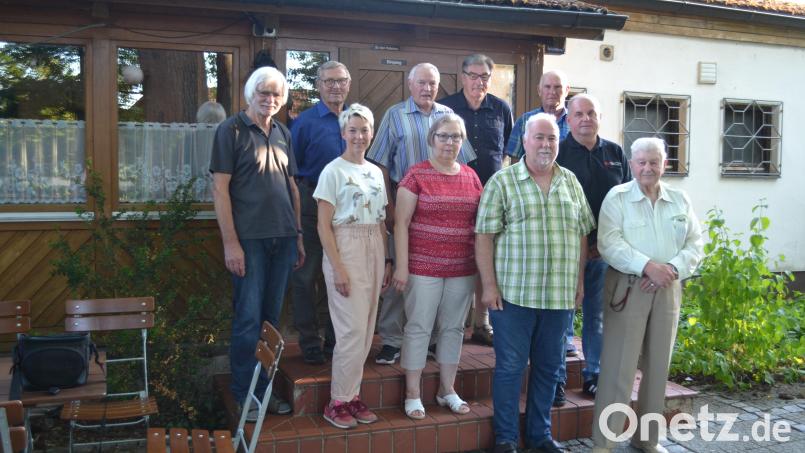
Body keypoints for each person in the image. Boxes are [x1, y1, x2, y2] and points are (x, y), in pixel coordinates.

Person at [476, 113, 594, 453]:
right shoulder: (502, 182)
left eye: (552, 139)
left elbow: (582, 233)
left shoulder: (570, 181)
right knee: (511, 368)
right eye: (539, 137)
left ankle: (540, 435)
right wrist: (489, 286)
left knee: (549, 368)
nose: (545, 144)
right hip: (514, 295)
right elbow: (484, 236)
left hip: (558, 297)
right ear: (524, 141)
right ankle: (506, 438)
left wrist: (579, 281)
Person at [592, 137, 703, 453]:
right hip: (629, 287)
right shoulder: (618, 198)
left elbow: (695, 245)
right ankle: (605, 443)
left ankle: (647, 439)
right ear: (632, 163)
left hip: (668, 287)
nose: (647, 168)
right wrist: (647, 267)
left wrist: (670, 268)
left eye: (654, 162)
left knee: (658, 368)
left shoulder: (680, 200)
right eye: (641, 162)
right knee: (618, 367)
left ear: (664, 164)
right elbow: (609, 243)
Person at [367, 62, 476, 365]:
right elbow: (380, 162)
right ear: (410, 85)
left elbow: (464, 163)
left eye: (433, 83)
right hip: (404, 204)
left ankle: (432, 339)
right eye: (422, 83)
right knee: (401, 275)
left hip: (441, 209)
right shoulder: (395, 115)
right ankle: (391, 339)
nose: (428, 89)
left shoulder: (448, 118)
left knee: (436, 277)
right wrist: (388, 205)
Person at [210, 66, 303, 418]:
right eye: (264, 93)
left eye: (276, 94)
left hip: (283, 239)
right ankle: (245, 396)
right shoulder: (230, 130)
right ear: (251, 94)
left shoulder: (283, 131)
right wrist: (230, 243)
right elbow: (220, 190)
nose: (270, 99)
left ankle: (263, 391)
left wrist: (298, 234)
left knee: (270, 323)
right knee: (248, 320)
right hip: (249, 241)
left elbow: (292, 186)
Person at [392, 114, 483, 420]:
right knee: (418, 328)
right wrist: (401, 267)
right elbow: (400, 223)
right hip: (422, 267)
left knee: (454, 329)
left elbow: (479, 224)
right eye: (443, 136)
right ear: (431, 139)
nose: (449, 142)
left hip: (462, 268)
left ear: (463, 141)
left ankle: (447, 389)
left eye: (456, 136)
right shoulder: (415, 175)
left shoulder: (471, 176)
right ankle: (412, 392)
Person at [313, 103, 391, 429]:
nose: (359, 136)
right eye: (353, 130)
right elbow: (322, 225)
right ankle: (337, 402)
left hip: (373, 246)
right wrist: (338, 268)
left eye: (364, 130)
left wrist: (386, 260)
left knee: (366, 330)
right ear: (343, 132)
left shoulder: (375, 172)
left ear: (371, 133)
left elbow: (382, 221)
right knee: (350, 330)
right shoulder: (333, 171)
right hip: (345, 248)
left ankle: (352, 395)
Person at [553, 94, 632, 407]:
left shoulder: (614, 152)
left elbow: (627, 199)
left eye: (591, 113)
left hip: (603, 252)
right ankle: (556, 378)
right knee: (561, 317)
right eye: (578, 114)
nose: (585, 119)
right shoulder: (557, 152)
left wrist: (602, 244)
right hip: (565, 253)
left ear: (600, 117)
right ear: (568, 120)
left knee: (597, 317)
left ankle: (593, 375)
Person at [438, 53, 513, 347]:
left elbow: (506, 150)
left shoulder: (501, 108)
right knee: (456, 255)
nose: (478, 82)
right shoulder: (448, 108)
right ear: (462, 76)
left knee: (486, 259)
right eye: (472, 75)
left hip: (490, 195)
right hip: (454, 192)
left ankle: (481, 324)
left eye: (484, 76)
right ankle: (450, 325)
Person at [290, 60, 352, 365]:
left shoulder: (357, 118)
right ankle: (310, 342)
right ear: (319, 86)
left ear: (348, 84)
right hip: (313, 205)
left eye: (340, 81)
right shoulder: (305, 123)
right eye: (328, 81)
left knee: (340, 276)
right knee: (306, 277)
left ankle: (334, 339)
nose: (335, 86)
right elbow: (294, 169)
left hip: (349, 210)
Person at [505, 70, 571, 163]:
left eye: (557, 87)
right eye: (547, 87)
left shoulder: (575, 121)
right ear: (539, 90)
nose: (552, 92)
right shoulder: (525, 121)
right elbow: (516, 159)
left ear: (567, 90)